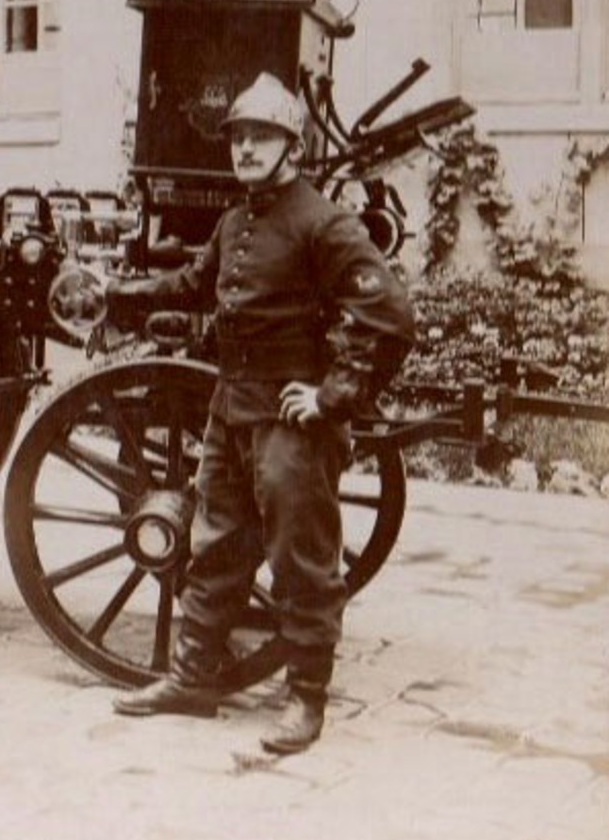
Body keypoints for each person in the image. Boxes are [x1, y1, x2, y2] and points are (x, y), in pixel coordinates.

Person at [105, 72, 416, 754]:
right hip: (230, 408)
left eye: (260, 138)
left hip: (290, 421)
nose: (244, 150)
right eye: (238, 138)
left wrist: (331, 397)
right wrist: (121, 293)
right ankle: (191, 680)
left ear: (291, 147)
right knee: (213, 545)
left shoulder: (321, 222)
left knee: (300, 559)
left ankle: (305, 701)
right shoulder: (233, 221)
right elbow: (194, 285)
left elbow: (388, 314)